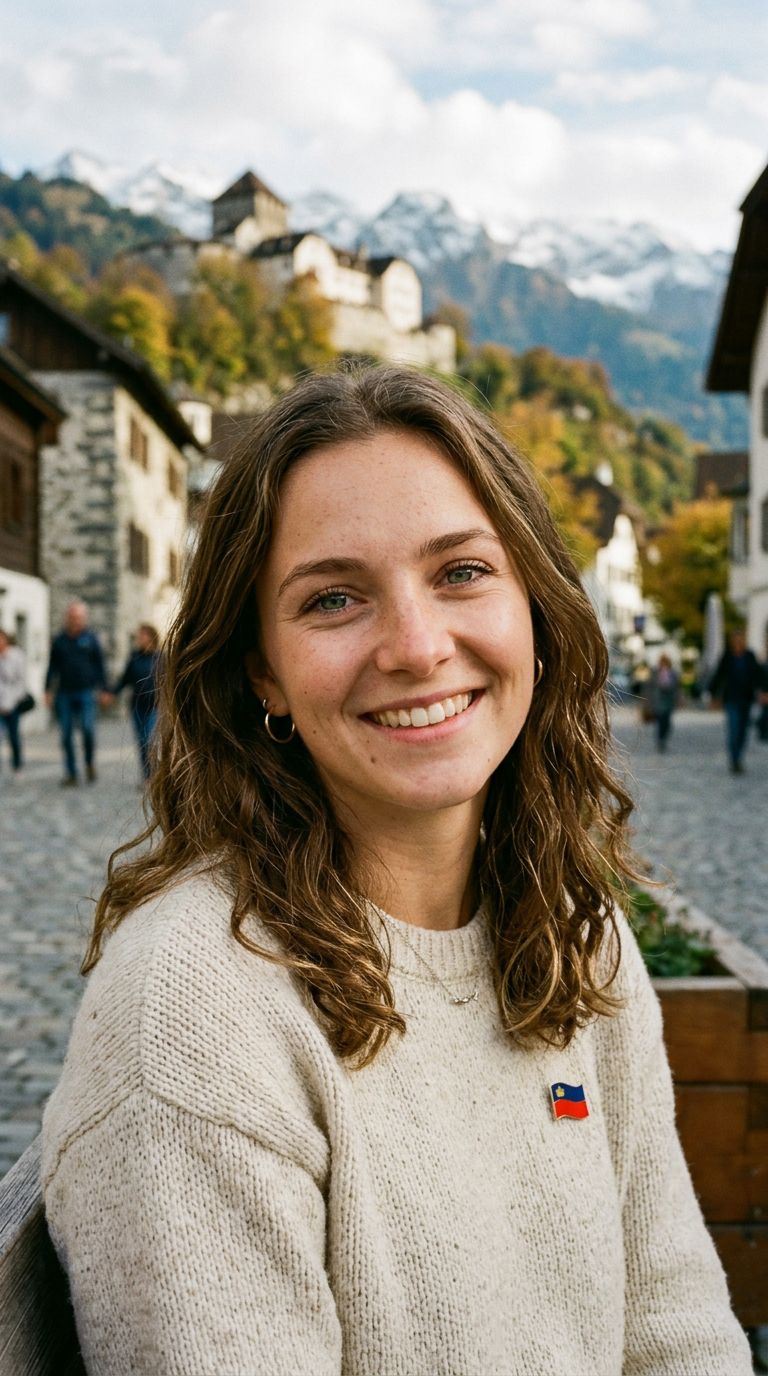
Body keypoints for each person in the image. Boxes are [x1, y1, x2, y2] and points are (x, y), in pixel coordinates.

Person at [41, 367, 751, 1375]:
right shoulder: (196, 1005)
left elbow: (676, 1326)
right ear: (261, 671)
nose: (418, 647)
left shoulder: (572, 929)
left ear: (537, 611)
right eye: (334, 598)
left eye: (462, 571)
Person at [45, 600, 107, 786]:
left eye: (79, 617)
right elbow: (52, 666)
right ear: (67, 618)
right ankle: (71, 773)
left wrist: (104, 689)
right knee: (66, 734)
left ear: (84, 619)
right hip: (65, 693)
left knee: (88, 729)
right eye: (73, 617)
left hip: (86, 692)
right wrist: (47, 689)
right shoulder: (59, 640)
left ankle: (89, 763)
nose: (76, 620)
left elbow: (99, 665)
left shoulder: (91, 639)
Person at [107, 624, 161, 780]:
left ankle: (156, 775)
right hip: (137, 706)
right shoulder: (134, 657)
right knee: (142, 742)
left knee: (151, 741)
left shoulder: (161, 657)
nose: (139, 639)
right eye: (139, 636)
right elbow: (125, 680)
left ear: (151, 637)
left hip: (155, 706)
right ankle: (148, 776)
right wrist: (112, 693)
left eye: (142, 636)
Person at [709, 627, 763, 774]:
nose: (738, 642)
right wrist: (713, 695)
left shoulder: (749, 656)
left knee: (742, 732)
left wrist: (763, 691)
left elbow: (758, 675)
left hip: (746, 699)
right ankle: (734, 760)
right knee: (733, 730)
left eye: (740, 639)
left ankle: (738, 757)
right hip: (731, 699)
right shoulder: (727, 657)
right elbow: (718, 676)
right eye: (735, 639)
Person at [0, 628, 28, 778]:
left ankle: (17, 766)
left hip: (13, 704)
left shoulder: (16, 656)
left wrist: (11, 702)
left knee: (13, 736)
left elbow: (20, 681)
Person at [648, 652, 680, 752]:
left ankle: (663, 738)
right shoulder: (655, 672)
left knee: (667, 723)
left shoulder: (672, 673)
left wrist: (678, 698)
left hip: (669, 701)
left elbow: (676, 687)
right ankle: (660, 740)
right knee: (660, 722)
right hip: (658, 701)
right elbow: (650, 687)